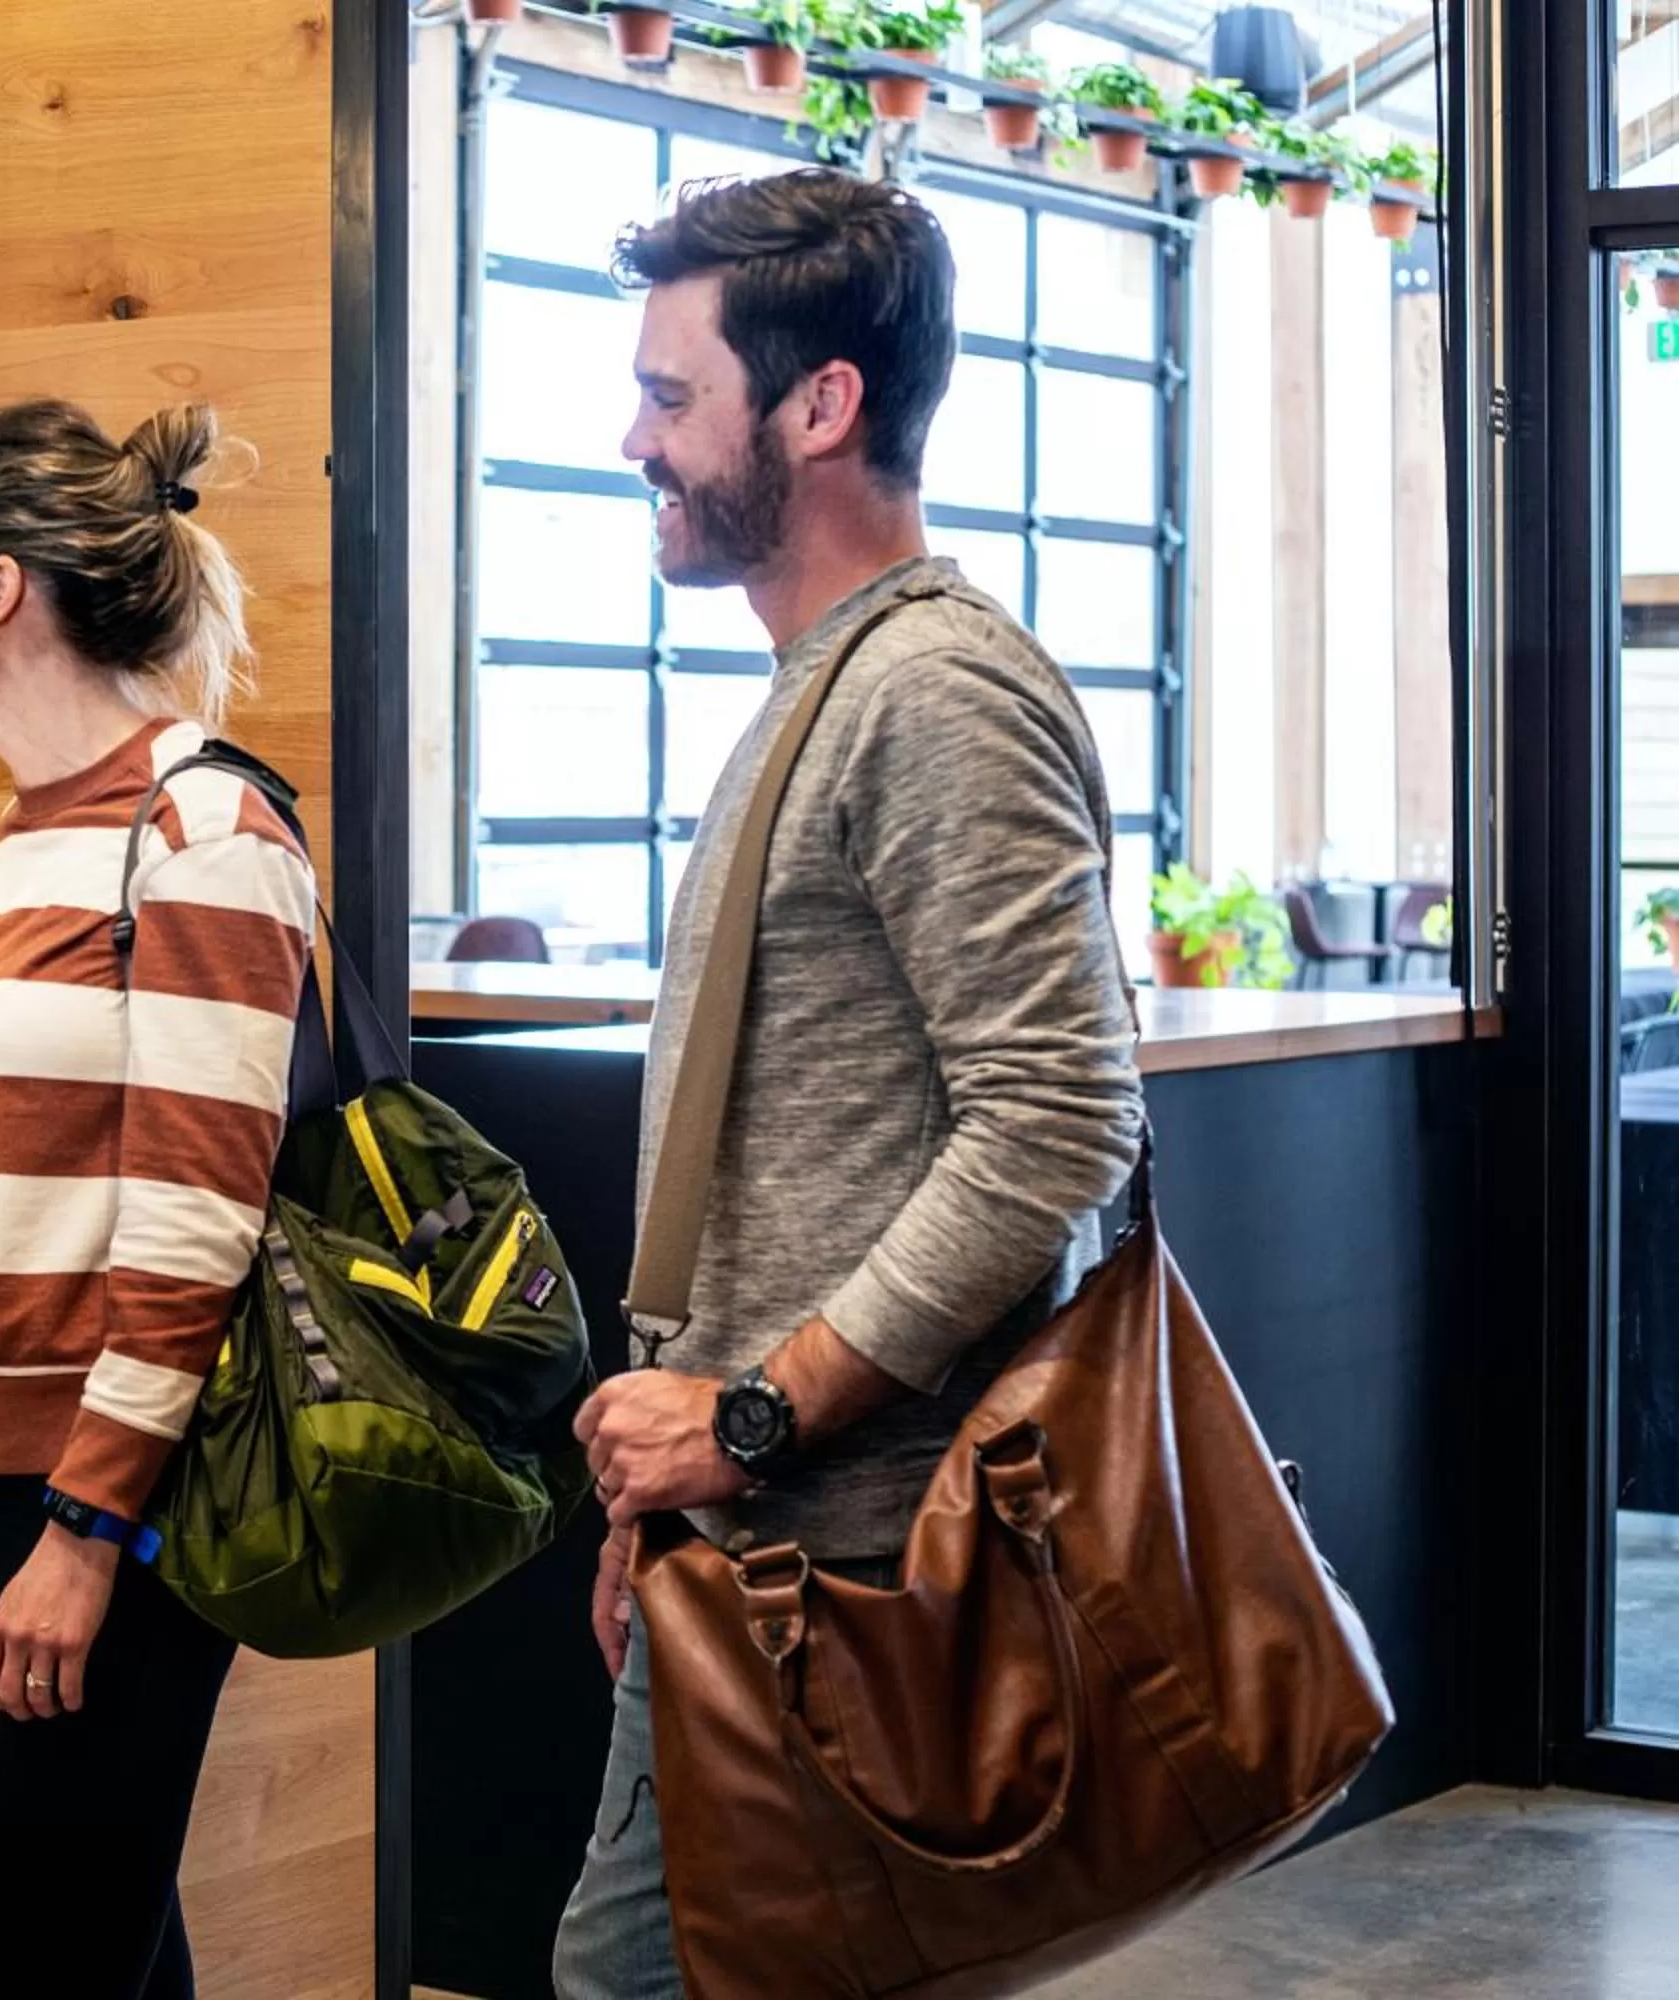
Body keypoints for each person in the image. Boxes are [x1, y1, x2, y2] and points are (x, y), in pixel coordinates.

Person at [549, 172, 1147, 1995]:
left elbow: (1057, 1121)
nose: (631, 437)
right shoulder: (828, 689)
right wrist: (679, 1492)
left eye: (670, 396)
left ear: (820, 407)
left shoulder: (935, 697)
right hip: (758, 1550)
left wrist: (748, 1422)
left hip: (867, 1567)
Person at [0, 399, 312, 1998]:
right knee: (99, 1954)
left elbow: (194, 1219)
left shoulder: (204, 828)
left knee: (47, 1968)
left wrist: (90, 1525)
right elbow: (41, 1153)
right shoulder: (33, 837)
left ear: (0, 589)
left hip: (115, 1506)